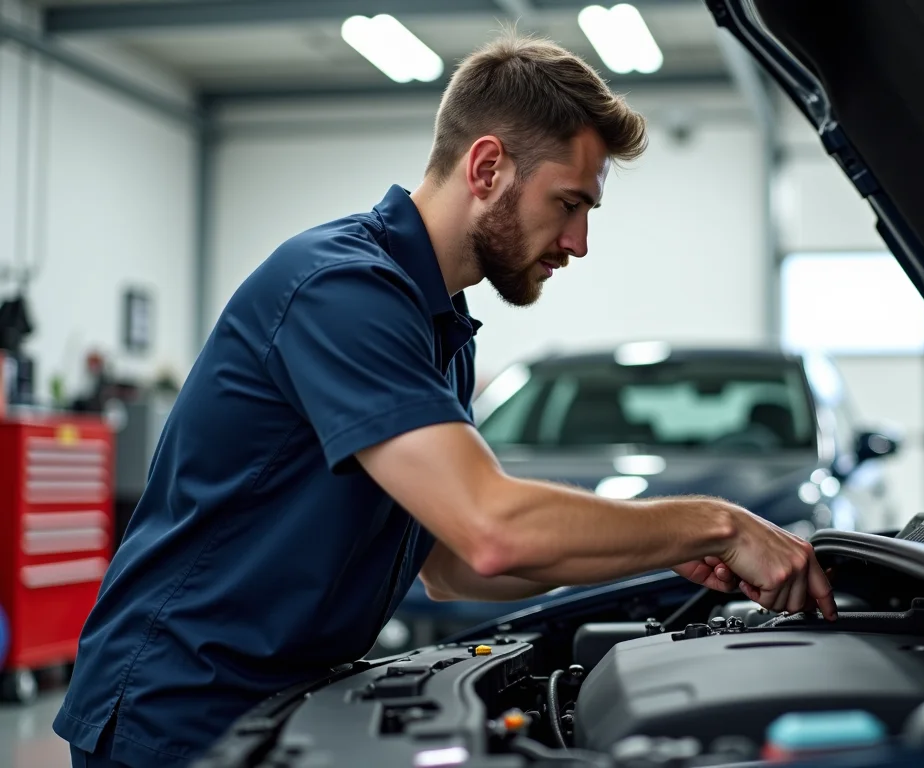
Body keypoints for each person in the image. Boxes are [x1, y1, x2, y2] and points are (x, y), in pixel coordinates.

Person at [54, 34, 836, 768]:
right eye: (569, 204)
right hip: (184, 714)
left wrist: (657, 548)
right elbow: (492, 529)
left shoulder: (438, 328)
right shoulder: (341, 290)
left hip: (281, 700)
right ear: (487, 167)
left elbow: (456, 567)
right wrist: (717, 523)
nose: (578, 243)